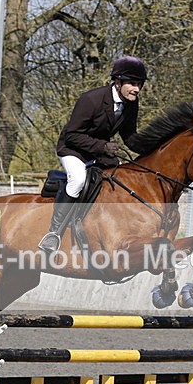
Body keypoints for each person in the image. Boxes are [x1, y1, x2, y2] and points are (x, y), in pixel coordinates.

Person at [38, 55, 148, 254]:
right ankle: (53, 233)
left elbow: (129, 136)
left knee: (118, 180)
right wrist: (104, 147)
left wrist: (152, 148)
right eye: (132, 83)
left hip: (98, 151)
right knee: (78, 180)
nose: (137, 89)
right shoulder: (91, 99)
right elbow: (72, 135)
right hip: (73, 149)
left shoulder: (131, 102)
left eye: (139, 84)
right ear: (118, 82)